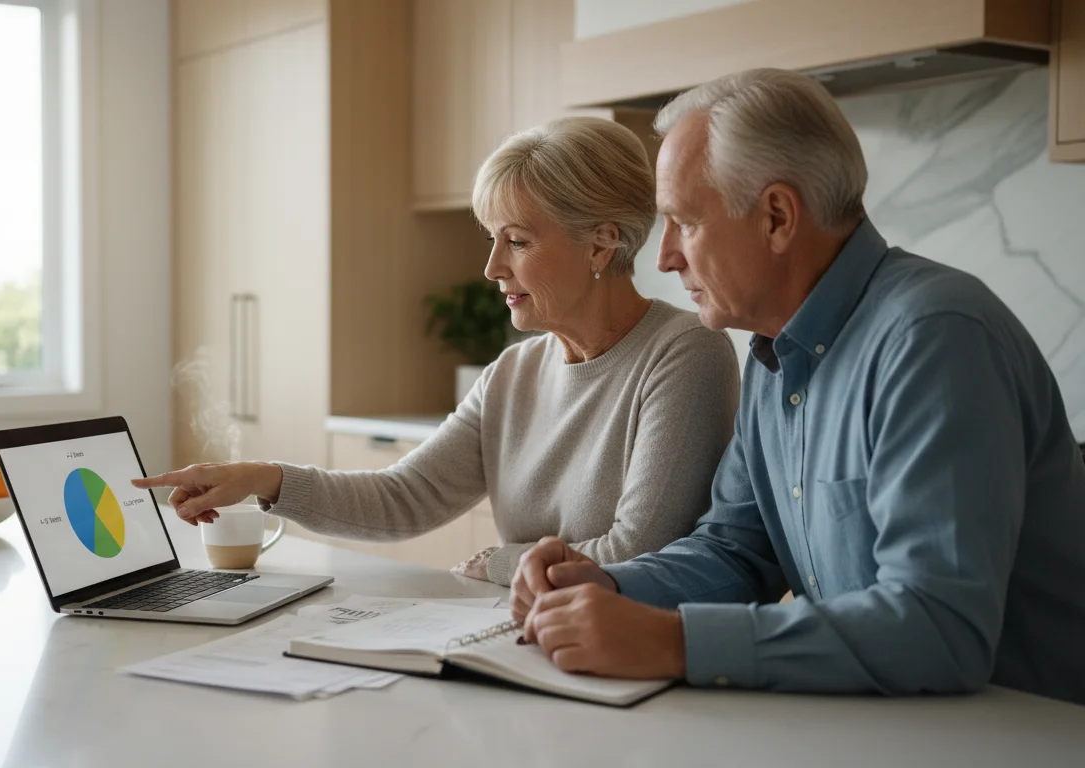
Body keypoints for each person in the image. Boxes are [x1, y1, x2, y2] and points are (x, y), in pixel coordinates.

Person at [510, 69, 1085, 704]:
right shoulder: (772, 355)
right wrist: (606, 586)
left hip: (1027, 734)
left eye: (684, 222)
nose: (666, 256)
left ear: (777, 217)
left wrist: (675, 642)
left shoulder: (933, 338)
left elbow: (940, 628)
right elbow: (736, 552)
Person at [136, 116, 740, 586]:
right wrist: (263, 479)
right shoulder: (514, 372)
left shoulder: (684, 353)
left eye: (518, 241)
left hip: (624, 661)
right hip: (528, 637)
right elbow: (404, 498)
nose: (492, 267)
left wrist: (499, 564)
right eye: (492, 239)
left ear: (601, 244)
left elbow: (637, 555)